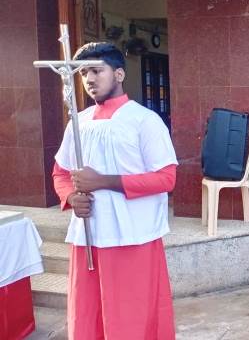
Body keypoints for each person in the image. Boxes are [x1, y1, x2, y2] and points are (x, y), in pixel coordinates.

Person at [51, 42, 178, 339]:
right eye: (84, 73)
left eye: (97, 70)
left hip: (132, 236)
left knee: (131, 315)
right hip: (88, 237)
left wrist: (104, 181)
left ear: (119, 73)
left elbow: (166, 178)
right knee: (87, 312)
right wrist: (70, 196)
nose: (90, 79)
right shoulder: (77, 123)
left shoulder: (144, 121)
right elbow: (60, 172)